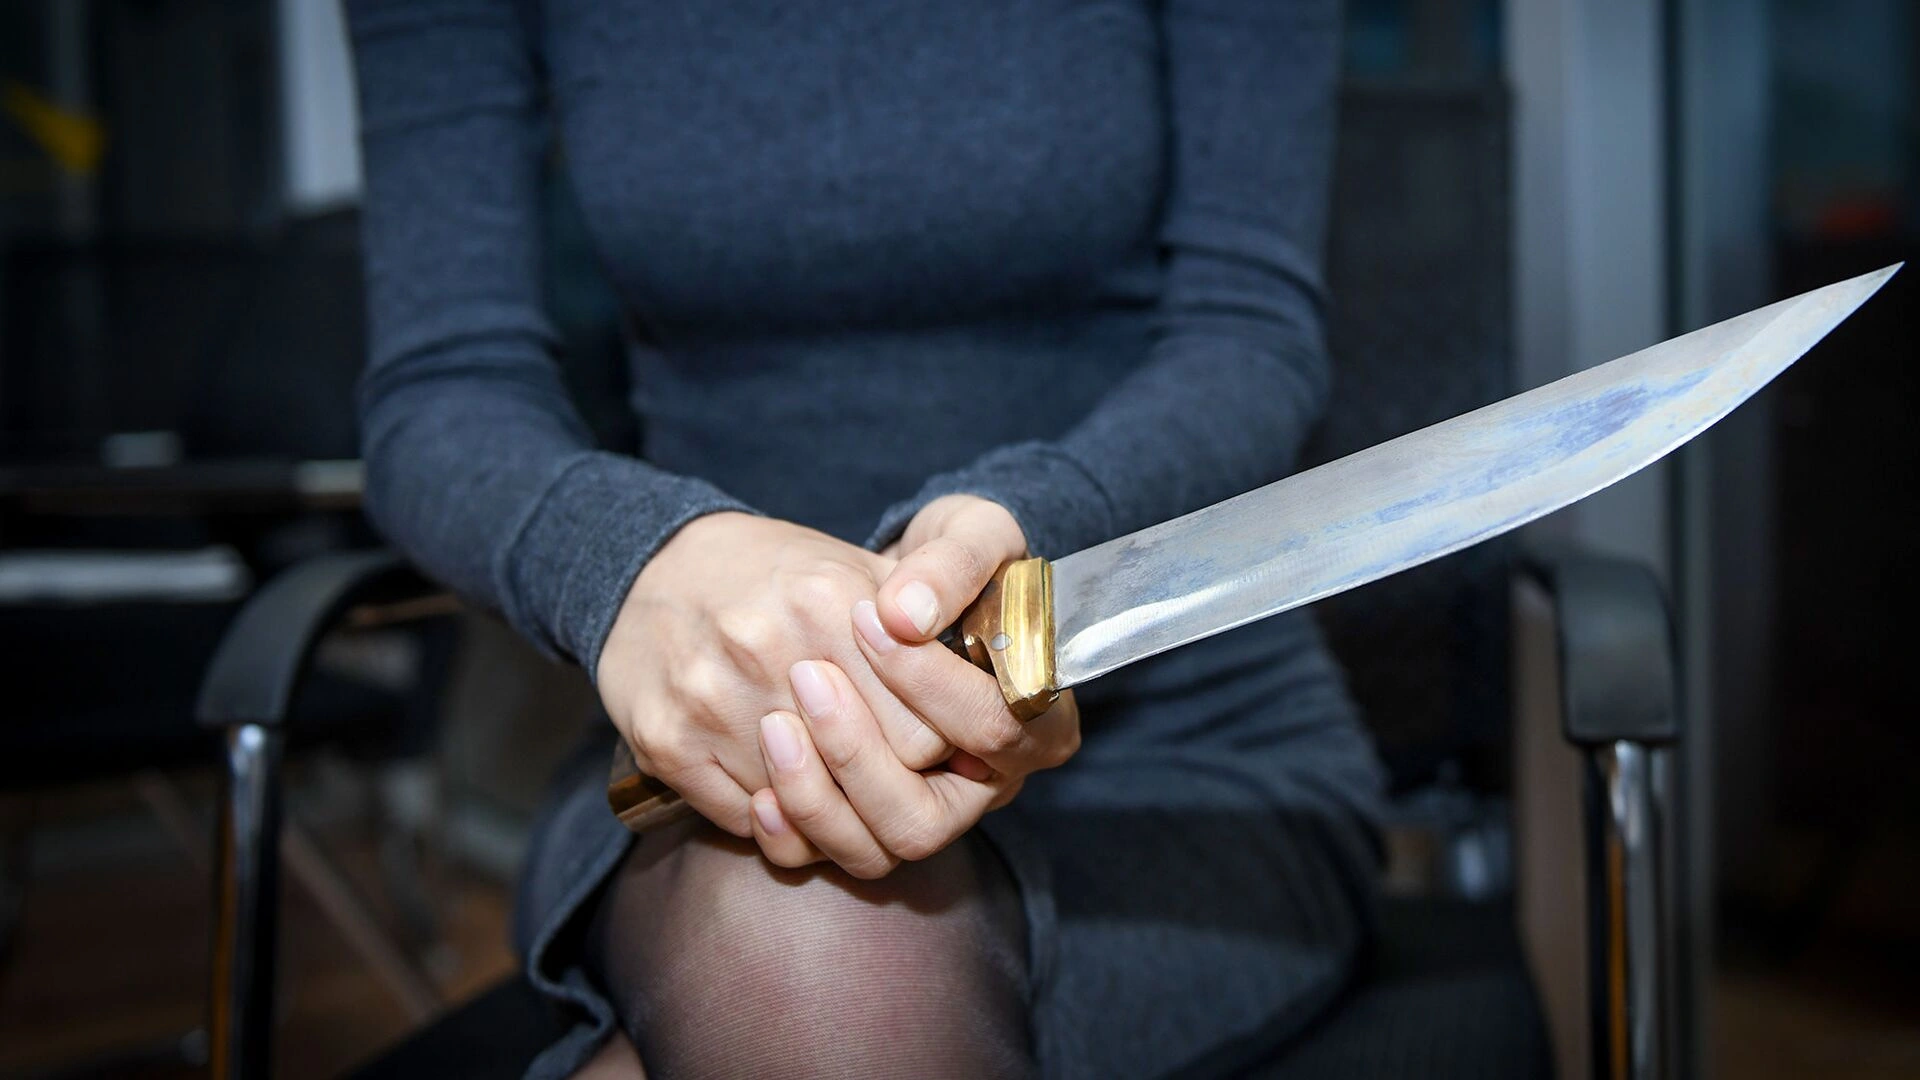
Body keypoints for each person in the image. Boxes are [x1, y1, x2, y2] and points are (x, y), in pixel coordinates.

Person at [346, 1, 1384, 1076]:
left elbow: (1249, 337)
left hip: (1173, 749)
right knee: (810, 925)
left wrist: (1029, 520)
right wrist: (642, 557)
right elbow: (441, 397)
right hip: (712, 749)